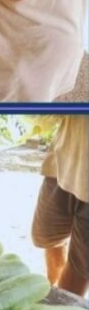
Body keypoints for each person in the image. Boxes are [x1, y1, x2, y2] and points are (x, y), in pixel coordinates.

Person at [31, 117, 89, 297]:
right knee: (45, 237)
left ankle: (58, 309)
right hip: (61, 163)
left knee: (79, 269)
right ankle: (52, 292)